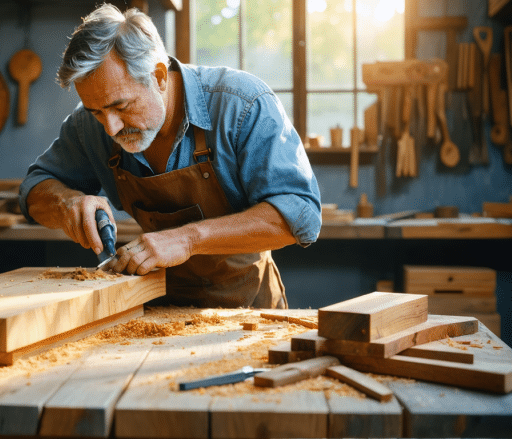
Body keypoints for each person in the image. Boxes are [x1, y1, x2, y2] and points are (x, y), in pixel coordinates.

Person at [18, 3, 321, 309]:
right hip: (155, 310)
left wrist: (188, 239)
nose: (110, 127)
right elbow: (34, 189)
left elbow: (300, 215)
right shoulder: (89, 125)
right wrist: (66, 202)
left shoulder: (242, 105)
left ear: (160, 76)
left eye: (121, 106)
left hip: (247, 309)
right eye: (97, 111)